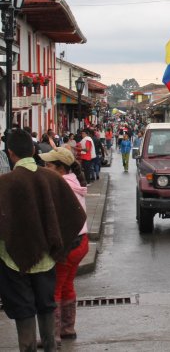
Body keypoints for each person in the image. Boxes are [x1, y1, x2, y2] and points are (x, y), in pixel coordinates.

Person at [0, 129, 86, 352]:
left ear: (10, 153)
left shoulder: (4, 183)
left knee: (23, 310)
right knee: (46, 305)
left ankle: (26, 348)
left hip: (12, 261)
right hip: (47, 259)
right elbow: (75, 216)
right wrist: (59, 247)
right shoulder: (51, 179)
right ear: (33, 150)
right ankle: (51, 346)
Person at [40, 148, 89, 346]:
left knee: (54, 289)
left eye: (49, 165)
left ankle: (53, 336)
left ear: (61, 168)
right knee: (67, 285)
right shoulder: (74, 182)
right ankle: (68, 328)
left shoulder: (61, 187)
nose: (45, 168)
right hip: (81, 242)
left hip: (68, 244)